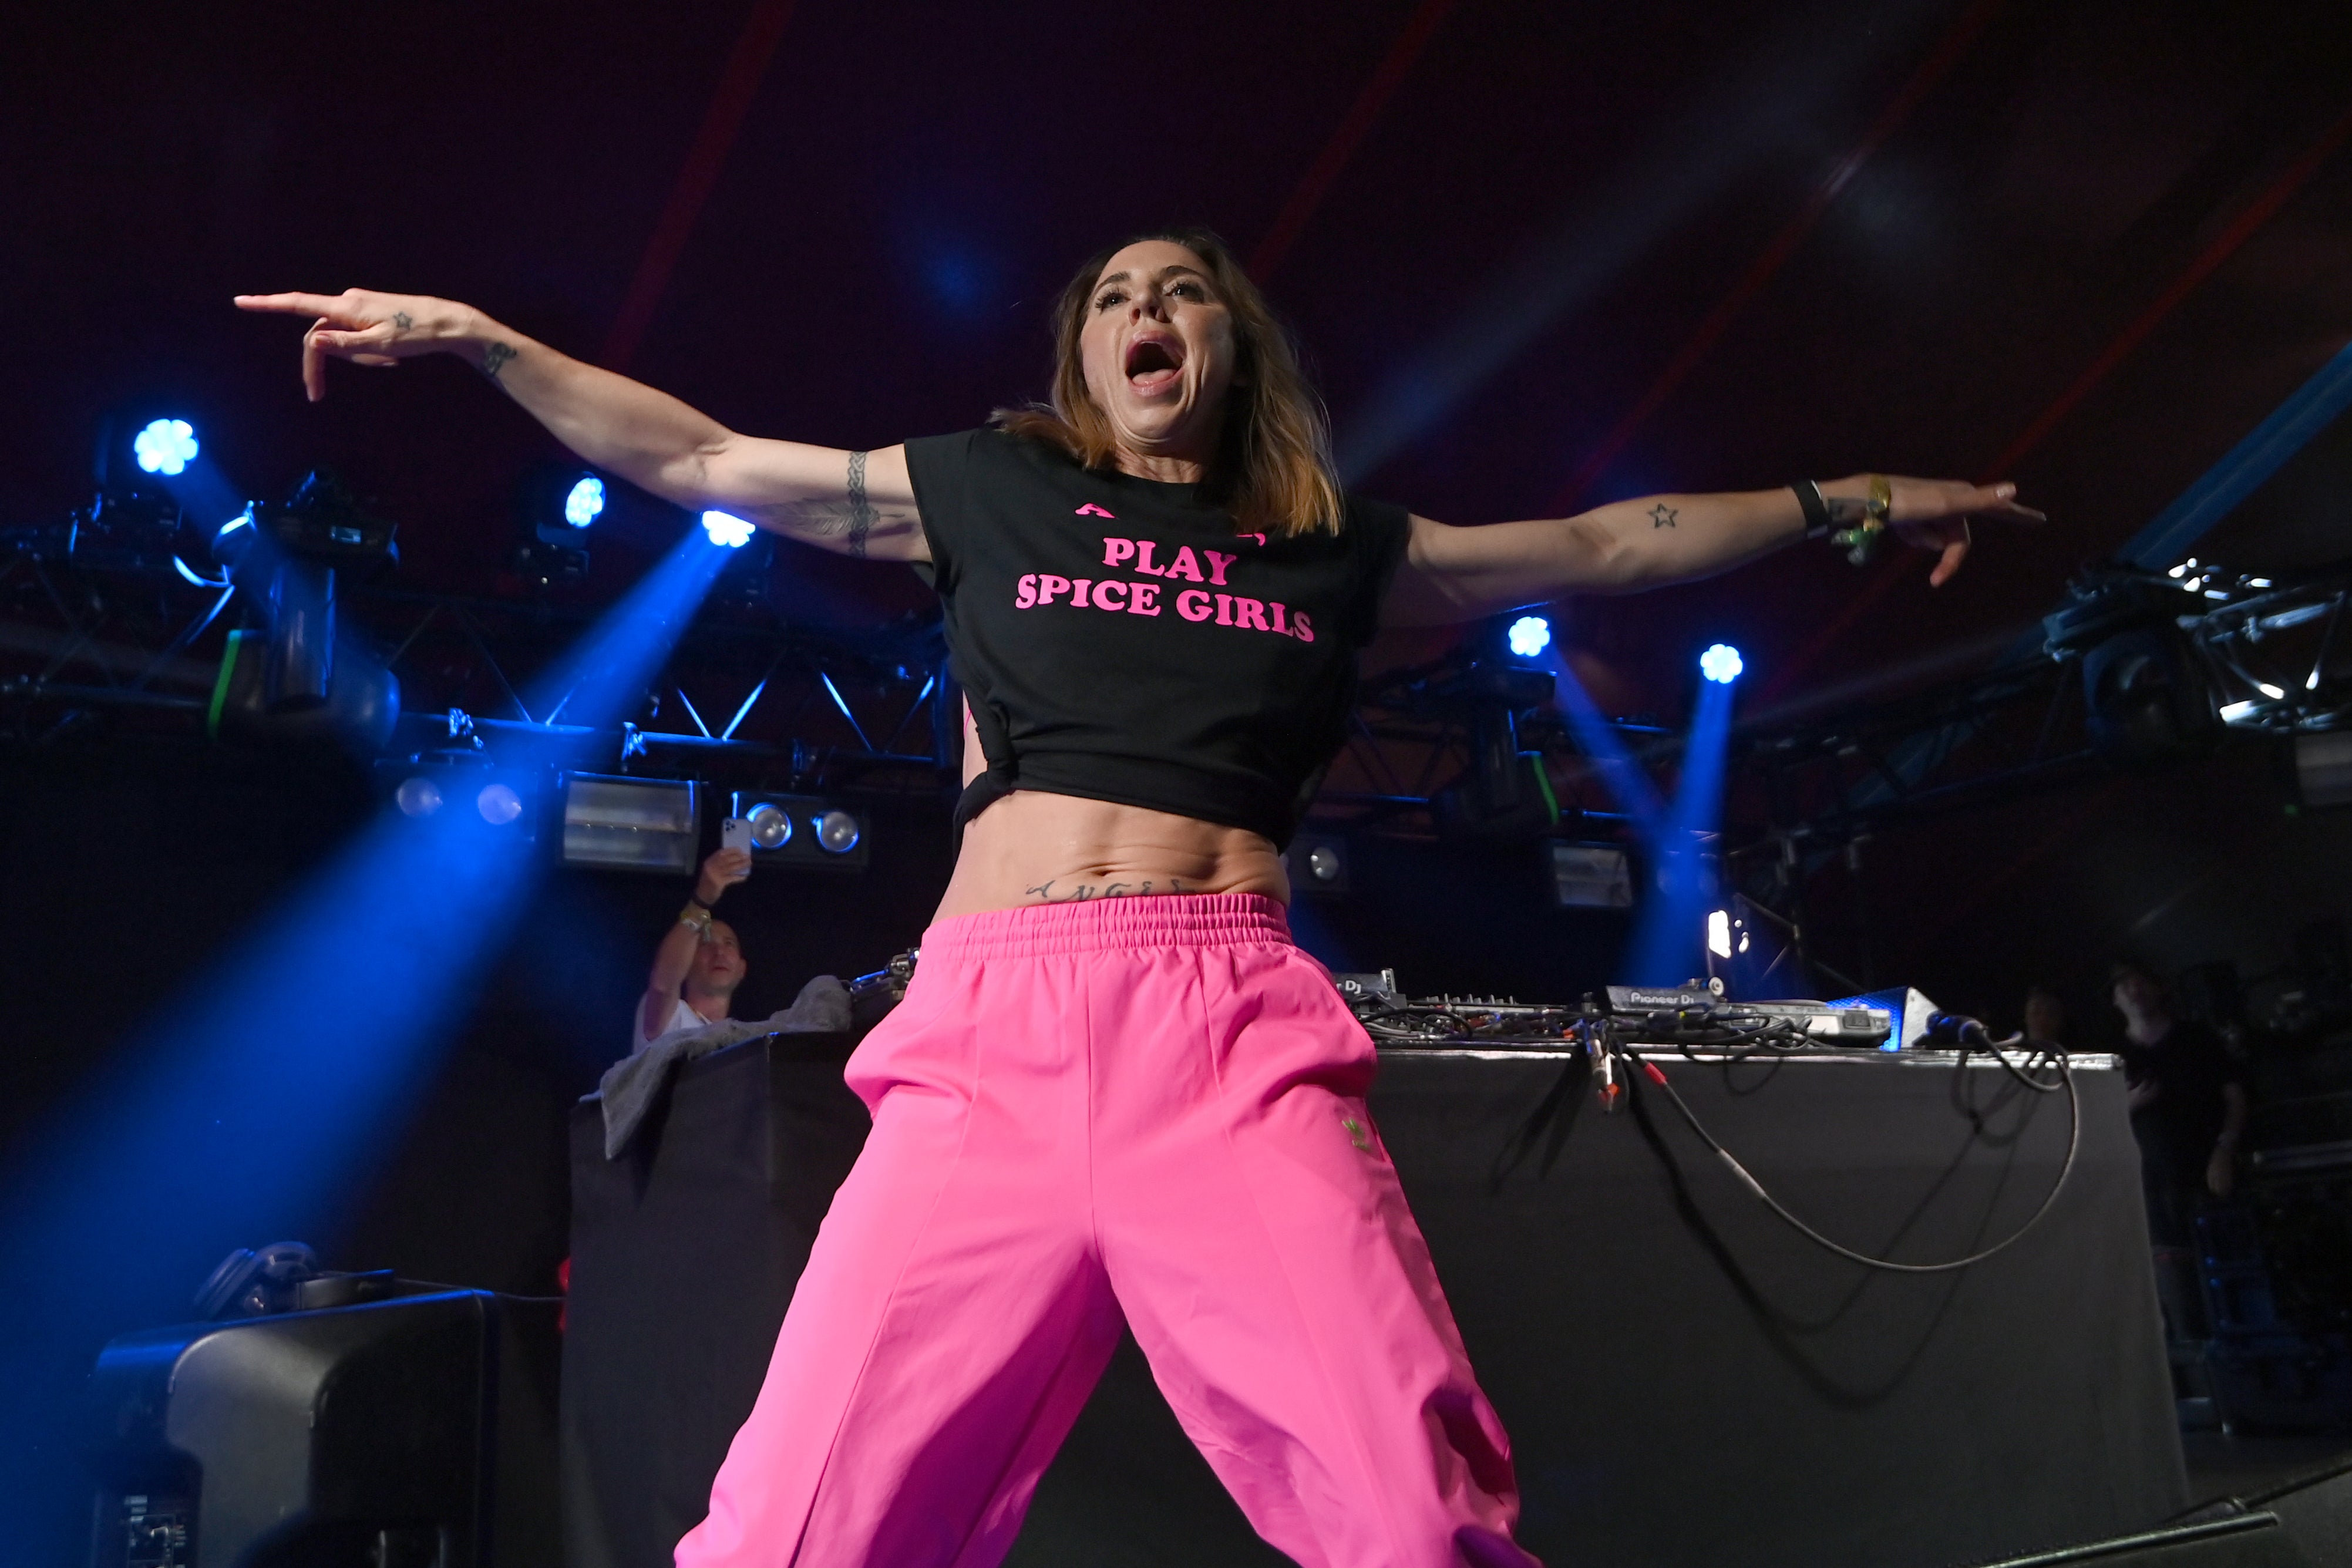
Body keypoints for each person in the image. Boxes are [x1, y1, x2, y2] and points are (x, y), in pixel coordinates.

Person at [238, 229, 2031, 1568]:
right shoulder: (994, 489)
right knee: (799, 1525)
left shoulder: (1335, 551)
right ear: (1080, 355)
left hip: (1226, 1034)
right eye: (1115, 295)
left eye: (1183, 292)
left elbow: (1614, 542)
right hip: (988, 1040)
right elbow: (706, 460)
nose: (1148, 313)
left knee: (1412, 1511)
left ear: (1231, 347)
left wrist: (1853, 499)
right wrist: (475, 336)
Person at [2112, 959, 2249, 1235]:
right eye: (2125, 984)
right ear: (2115, 999)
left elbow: (2235, 1097)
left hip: (2206, 1177)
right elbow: (2091, 1119)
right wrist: (2129, 1105)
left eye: (2141, 982)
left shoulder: (2197, 1037)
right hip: (2149, 1194)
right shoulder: (2109, 1052)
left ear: (2159, 989)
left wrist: (2225, 1150)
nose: (2135, 989)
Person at [636, 846, 752, 1054]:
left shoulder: (744, 1044)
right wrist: (701, 901)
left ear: (742, 969)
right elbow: (663, 984)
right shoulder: (673, 1017)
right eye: (706, 944)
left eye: (729, 944)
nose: (720, 953)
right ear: (687, 962)